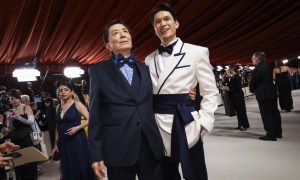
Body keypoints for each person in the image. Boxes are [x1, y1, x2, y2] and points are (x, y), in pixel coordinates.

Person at [145, 3, 219, 180]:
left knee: (194, 172)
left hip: (186, 122)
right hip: (158, 124)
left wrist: (204, 121)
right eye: (157, 21)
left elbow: (210, 91)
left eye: (166, 19)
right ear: (154, 28)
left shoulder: (197, 52)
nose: (162, 24)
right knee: (165, 174)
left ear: (176, 23)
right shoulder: (148, 59)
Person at [88, 19, 166, 180]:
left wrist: (186, 94)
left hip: (150, 144)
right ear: (108, 46)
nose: (122, 35)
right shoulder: (98, 71)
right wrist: (96, 154)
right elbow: (95, 115)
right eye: (115, 33)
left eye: (125, 31)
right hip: (118, 147)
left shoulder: (145, 69)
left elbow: (156, 100)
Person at [52, 82, 93, 180]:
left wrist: (77, 128)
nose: (63, 92)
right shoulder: (58, 107)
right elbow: (57, 127)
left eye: (66, 90)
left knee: (81, 166)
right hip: (64, 141)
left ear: (72, 92)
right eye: (60, 90)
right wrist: (55, 144)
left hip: (77, 139)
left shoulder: (77, 104)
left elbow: (90, 119)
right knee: (68, 167)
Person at [249, 51, 282, 141]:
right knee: (275, 113)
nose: (252, 60)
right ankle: (278, 132)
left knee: (266, 114)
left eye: (252, 58)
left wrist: (251, 89)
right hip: (272, 92)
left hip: (263, 94)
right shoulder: (268, 66)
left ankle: (270, 135)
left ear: (257, 59)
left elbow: (253, 83)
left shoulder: (257, 69)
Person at [6, 89, 37, 179]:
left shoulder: (26, 107)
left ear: (19, 98)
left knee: (29, 162)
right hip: (15, 140)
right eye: (12, 99)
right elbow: (10, 129)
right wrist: (9, 120)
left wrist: (19, 117)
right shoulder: (11, 111)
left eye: (16, 98)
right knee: (19, 164)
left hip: (26, 138)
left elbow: (31, 122)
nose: (14, 100)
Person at [223, 65, 250, 131]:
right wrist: (226, 77)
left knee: (241, 111)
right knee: (238, 112)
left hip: (238, 96)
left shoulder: (237, 77)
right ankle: (240, 125)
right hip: (233, 96)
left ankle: (245, 125)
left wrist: (229, 90)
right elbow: (224, 82)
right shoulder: (231, 77)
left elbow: (238, 87)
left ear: (232, 70)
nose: (228, 71)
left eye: (229, 69)